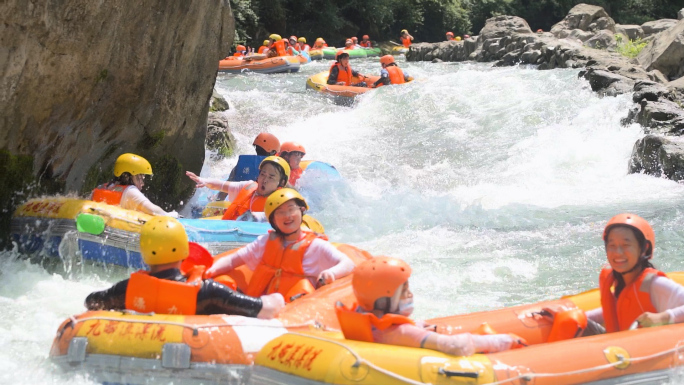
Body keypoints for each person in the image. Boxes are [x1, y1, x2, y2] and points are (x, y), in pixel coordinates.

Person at [84, 216, 285, 318]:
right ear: (184, 250)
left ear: (145, 253)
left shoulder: (127, 289)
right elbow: (265, 309)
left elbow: (91, 301)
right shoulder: (208, 292)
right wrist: (277, 298)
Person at [336, 256, 524, 356]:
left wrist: (416, 325)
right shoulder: (401, 332)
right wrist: (504, 341)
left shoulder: (364, 320)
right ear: (384, 300)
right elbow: (455, 345)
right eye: (404, 291)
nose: (410, 294)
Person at [205, 189, 355, 302]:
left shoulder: (315, 246)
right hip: (261, 305)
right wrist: (210, 272)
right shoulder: (265, 242)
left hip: (295, 310)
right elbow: (233, 260)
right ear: (273, 221)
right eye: (280, 212)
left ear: (301, 211)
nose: (287, 216)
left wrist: (332, 274)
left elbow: (348, 263)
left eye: (291, 209)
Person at [585, 213, 684, 333]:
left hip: (656, 348)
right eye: (612, 245)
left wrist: (662, 318)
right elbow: (614, 310)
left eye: (626, 245)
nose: (618, 252)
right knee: (569, 321)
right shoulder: (622, 284)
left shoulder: (654, 284)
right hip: (621, 347)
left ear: (644, 248)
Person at [186, 156, 290, 221]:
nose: (265, 180)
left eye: (271, 177)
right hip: (229, 226)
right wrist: (204, 180)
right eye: (263, 174)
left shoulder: (280, 203)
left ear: (282, 182)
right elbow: (222, 185)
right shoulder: (249, 186)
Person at [91, 153, 177, 217]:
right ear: (128, 176)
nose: (142, 183)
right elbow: (153, 210)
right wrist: (171, 215)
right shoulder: (130, 191)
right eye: (139, 178)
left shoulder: (103, 187)